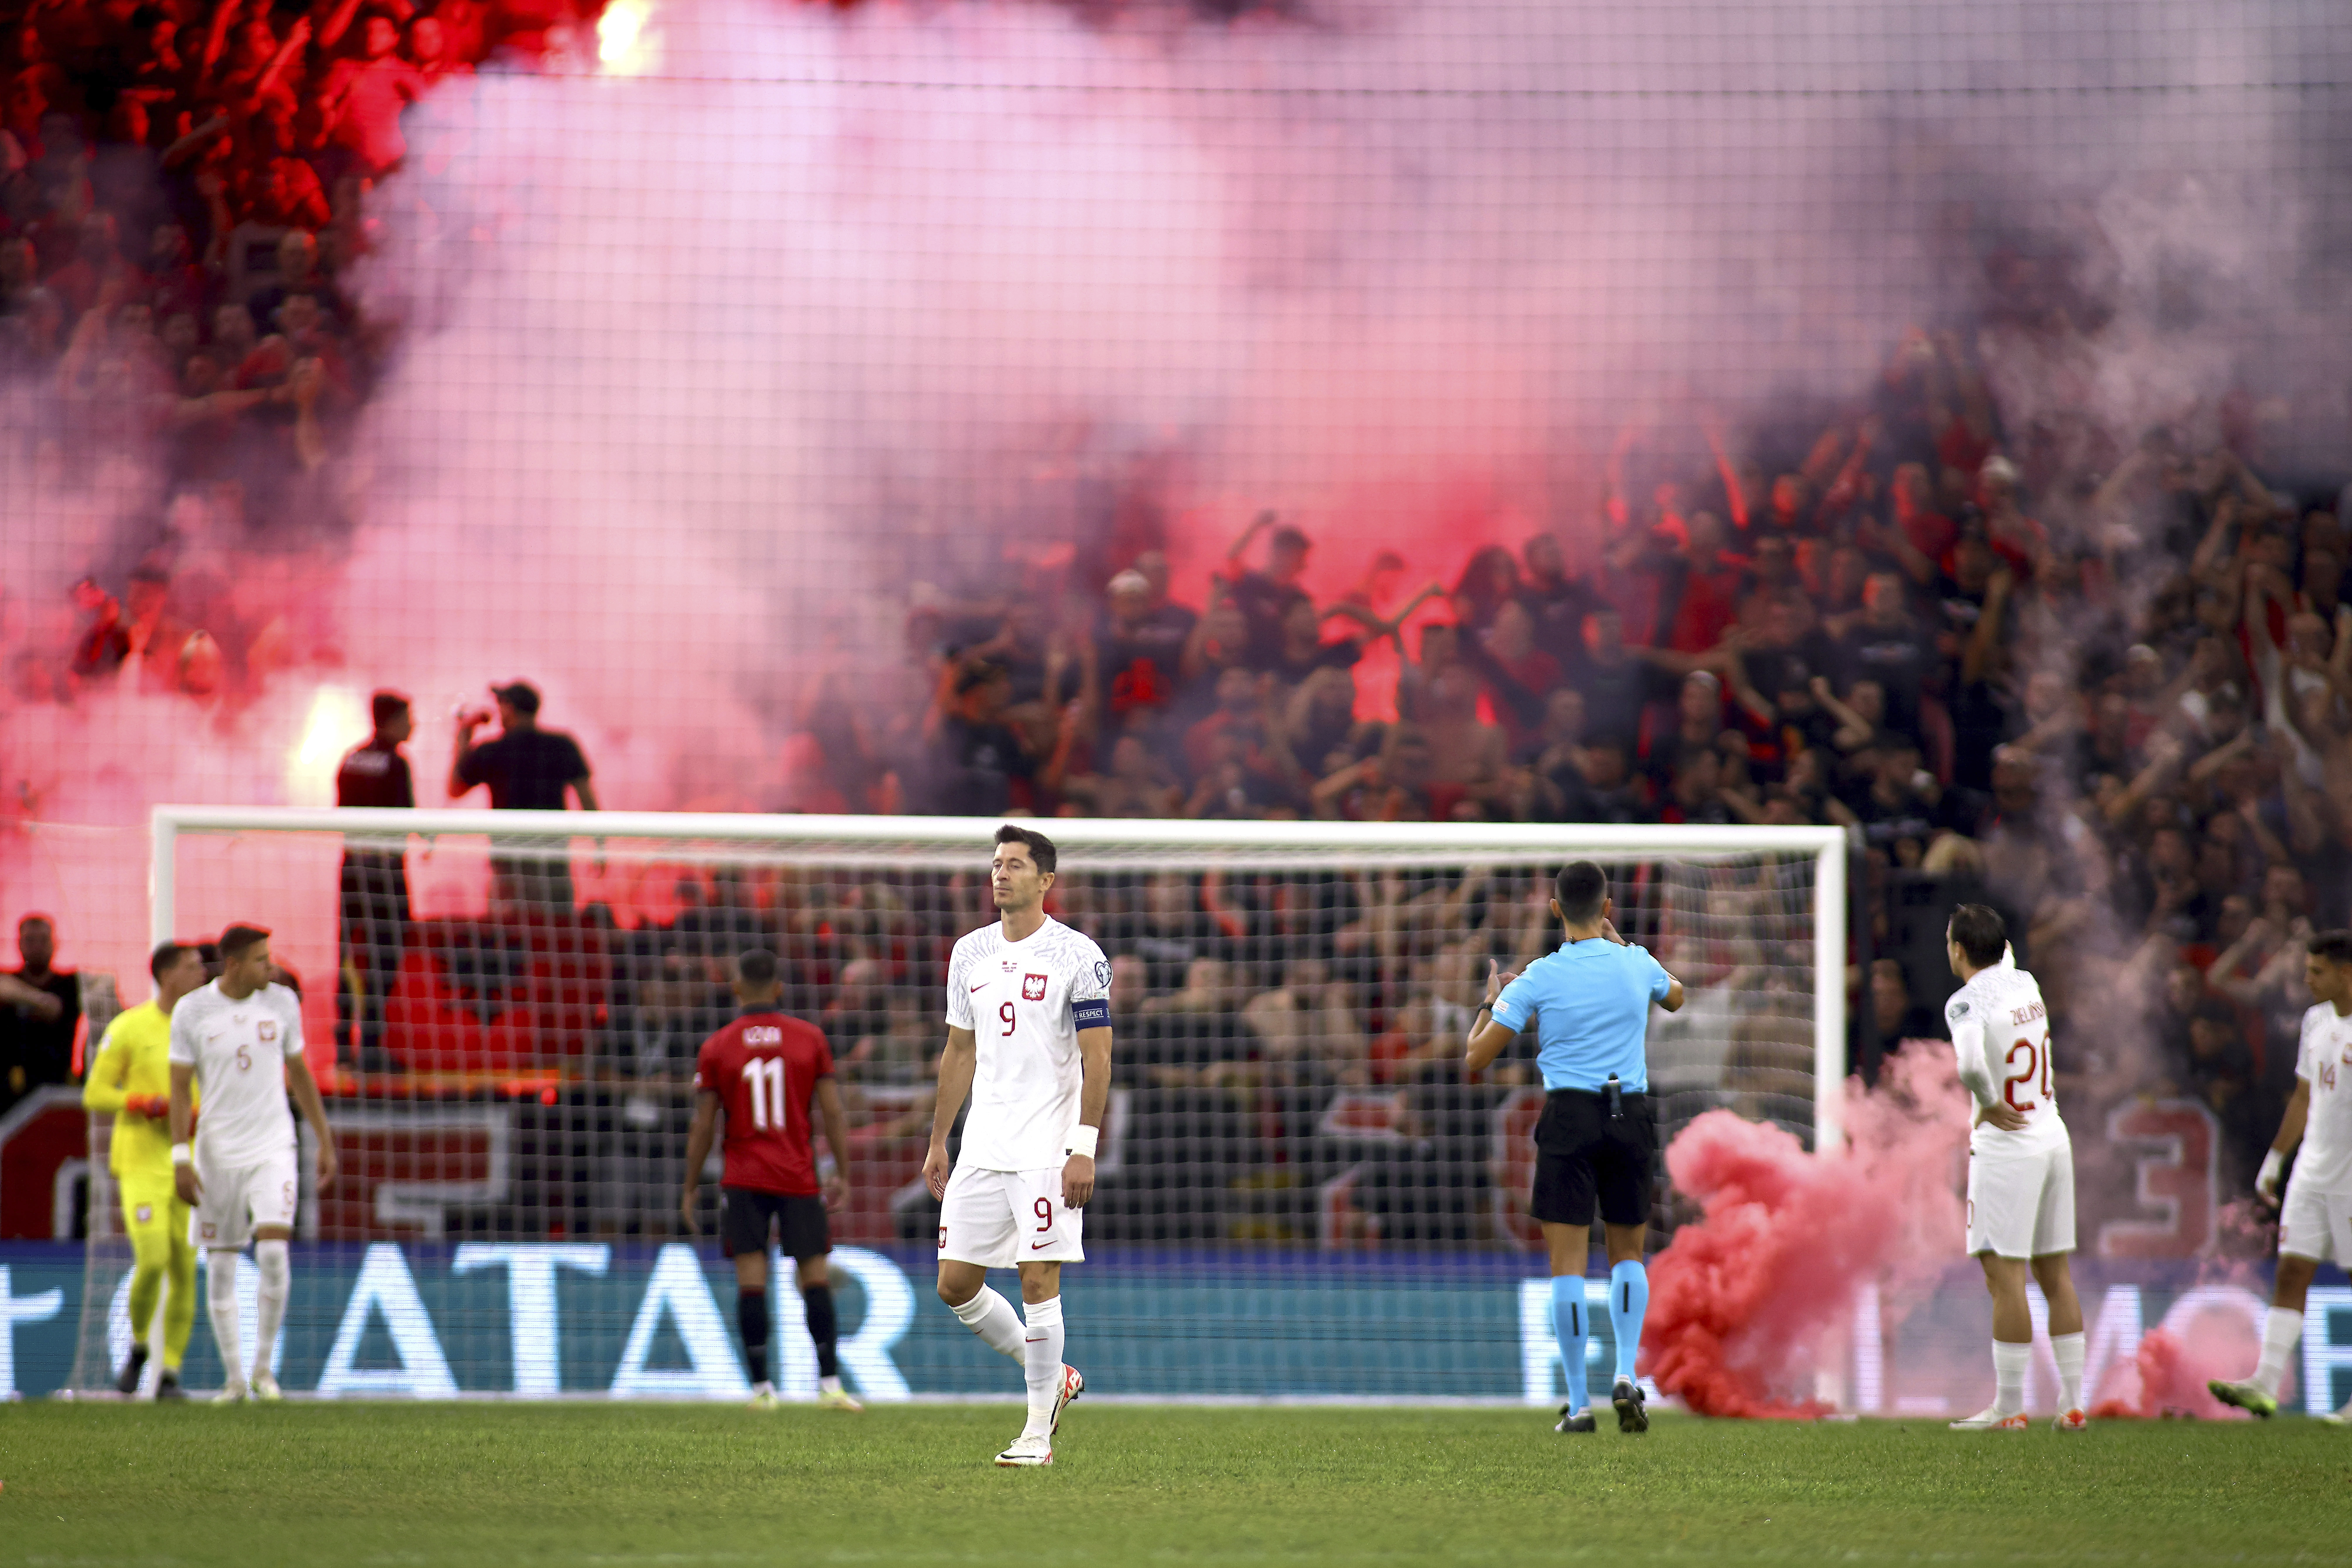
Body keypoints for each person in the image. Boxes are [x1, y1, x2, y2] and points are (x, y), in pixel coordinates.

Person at [1465, 861, 1685, 1435]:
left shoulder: (1539, 975)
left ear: (1555, 909)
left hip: (1569, 1117)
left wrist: (1490, 1002)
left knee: (1567, 1265)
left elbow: (1476, 1058)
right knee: (1628, 1254)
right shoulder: (1637, 962)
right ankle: (1626, 1373)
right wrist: (1624, 944)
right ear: (1607, 907)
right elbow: (1677, 996)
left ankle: (1580, 1404)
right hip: (1629, 1113)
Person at [925, 825, 1112, 1466]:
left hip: (1047, 1147)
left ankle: (1036, 1433)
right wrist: (939, 1139)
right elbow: (959, 1049)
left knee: (1038, 1278)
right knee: (955, 1284)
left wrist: (1083, 1146)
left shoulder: (1077, 954)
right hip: (983, 1143)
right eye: (996, 863)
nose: (1001, 874)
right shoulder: (969, 951)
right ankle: (1055, 1374)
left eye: (1015, 865)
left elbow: (1098, 1057)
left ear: (1046, 880)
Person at [680, 948, 862, 1413]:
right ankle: (830, 1386)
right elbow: (833, 1112)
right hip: (798, 1175)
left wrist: (689, 1185)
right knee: (815, 1278)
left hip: (744, 1178)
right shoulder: (809, 1038)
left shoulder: (718, 1046)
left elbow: (703, 1125)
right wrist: (842, 1172)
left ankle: (762, 1390)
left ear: (736, 988)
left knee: (751, 1282)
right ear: (779, 988)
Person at [168, 923, 340, 1402]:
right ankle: (235, 1379)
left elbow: (300, 1074)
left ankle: (264, 1370)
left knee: (273, 1253)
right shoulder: (193, 1010)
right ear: (235, 964)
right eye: (262, 960)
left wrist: (324, 1140)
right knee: (221, 1266)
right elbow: (179, 1088)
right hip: (216, 1152)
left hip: (272, 1145)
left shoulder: (282, 1002)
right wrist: (181, 1156)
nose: (272, 966)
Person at [1940, 904, 2088, 1432]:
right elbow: (2002, 958)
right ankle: (2073, 1404)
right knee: (2056, 1274)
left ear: (1958, 950)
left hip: (2008, 1147)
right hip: (2053, 1135)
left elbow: (1970, 1065)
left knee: (2004, 1276)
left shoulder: (1965, 1002)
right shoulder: (2026, 982)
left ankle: (2009, 1407)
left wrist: (1987, 1101)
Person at [2210, 929, 2352, 1420]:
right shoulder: (2316, 1021)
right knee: (2292, 1269)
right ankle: (2265, 1383)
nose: (2307, 979)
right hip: (2312, 1169)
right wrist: (2276, 1159)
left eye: (2317, 971)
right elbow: (2304, 1096)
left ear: (2346, 973)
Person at [83, 942, 208, 1400]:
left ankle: (170, 1373)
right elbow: (95, 1093)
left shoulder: (204, 1028)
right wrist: (139, 1101)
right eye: (193, 966)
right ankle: (139, 1348)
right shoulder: (130, 1027)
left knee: (186, 1270)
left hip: (190, 1161)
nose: (202, 973)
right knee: (153, 1259)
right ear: (168, 974)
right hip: (140, 1161)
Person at [449, 681, 598, 913]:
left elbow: (455, 789)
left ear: (509, 708)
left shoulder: (493, 750)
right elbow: (588, 799)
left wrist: (463, 741)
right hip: (553, 861)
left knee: (508, 931)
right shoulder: (562, 745)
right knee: (556, 929)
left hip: (509, 863)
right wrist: (600, 845)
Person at [335, 690, 414, 1068]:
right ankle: (371, 1044)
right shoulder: (396, 763)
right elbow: (404, 819)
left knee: (347, 953)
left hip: (352, 868)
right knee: (385, 956)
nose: (413, 725)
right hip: (384, 873)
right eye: (408, 718)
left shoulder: (351, 758)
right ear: (392, 721)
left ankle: (341, 1042)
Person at [1, 914, 80, 1114]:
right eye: (30, 940)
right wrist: (38, 999)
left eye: (44, 940)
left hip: (58, 1084)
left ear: (55, 944)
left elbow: (55, 1010)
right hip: (11, 1089)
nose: (37, 946)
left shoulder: (71, 985)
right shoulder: (8, 979)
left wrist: (25, 998)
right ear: (19, 944)